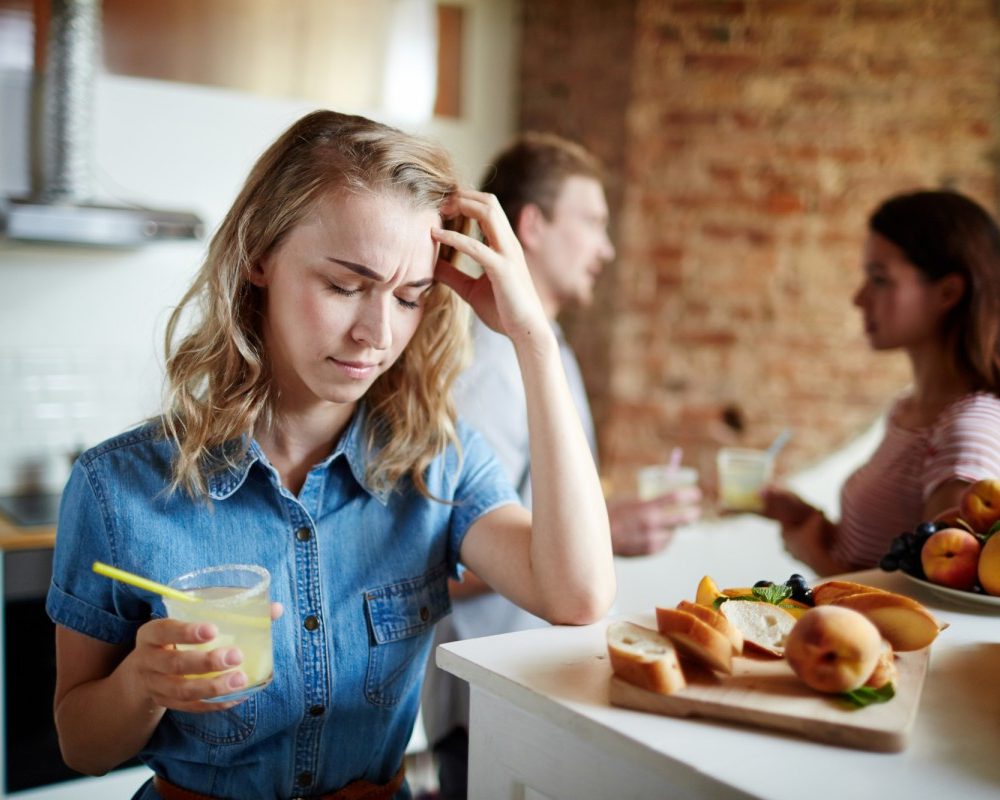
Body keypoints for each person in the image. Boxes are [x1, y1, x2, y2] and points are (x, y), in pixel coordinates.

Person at [45, 110, 615, 800]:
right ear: (260, 256)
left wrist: (533, 337)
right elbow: (81, 744)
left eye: (409, 297)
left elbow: (577, 596)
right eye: (345, 286)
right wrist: (141, 684)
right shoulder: (116, 487)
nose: (377, 333)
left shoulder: (438, 463)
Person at [421, 132, 701, 800]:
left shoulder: (544, 349)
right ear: (533, 227)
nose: (607, 248)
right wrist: (597, 535)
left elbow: (531, 499)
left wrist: (598, 520)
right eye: (594, 223)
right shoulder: (488, 369)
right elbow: (435, 556)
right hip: (489, 694)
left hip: (530, 680)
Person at [762, 189, 1000, 576]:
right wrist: (809, 519)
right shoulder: (908, 409)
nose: (859, 298)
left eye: (880, 279)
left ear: (948, 292)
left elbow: (934, 605)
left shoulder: (967, 430)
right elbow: (886, 553)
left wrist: (816, 557)